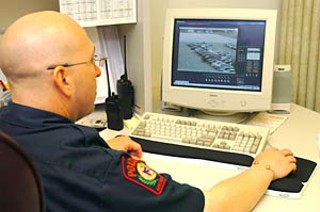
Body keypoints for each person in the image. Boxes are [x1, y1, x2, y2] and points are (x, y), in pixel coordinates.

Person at [0, 11, 297, 212]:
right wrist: (265, 168)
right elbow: (210, 206)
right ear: (63, 79)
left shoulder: (8, 135)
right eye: (91, 61)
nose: (97, 72)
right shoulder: (96, 170)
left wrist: (100, 149)